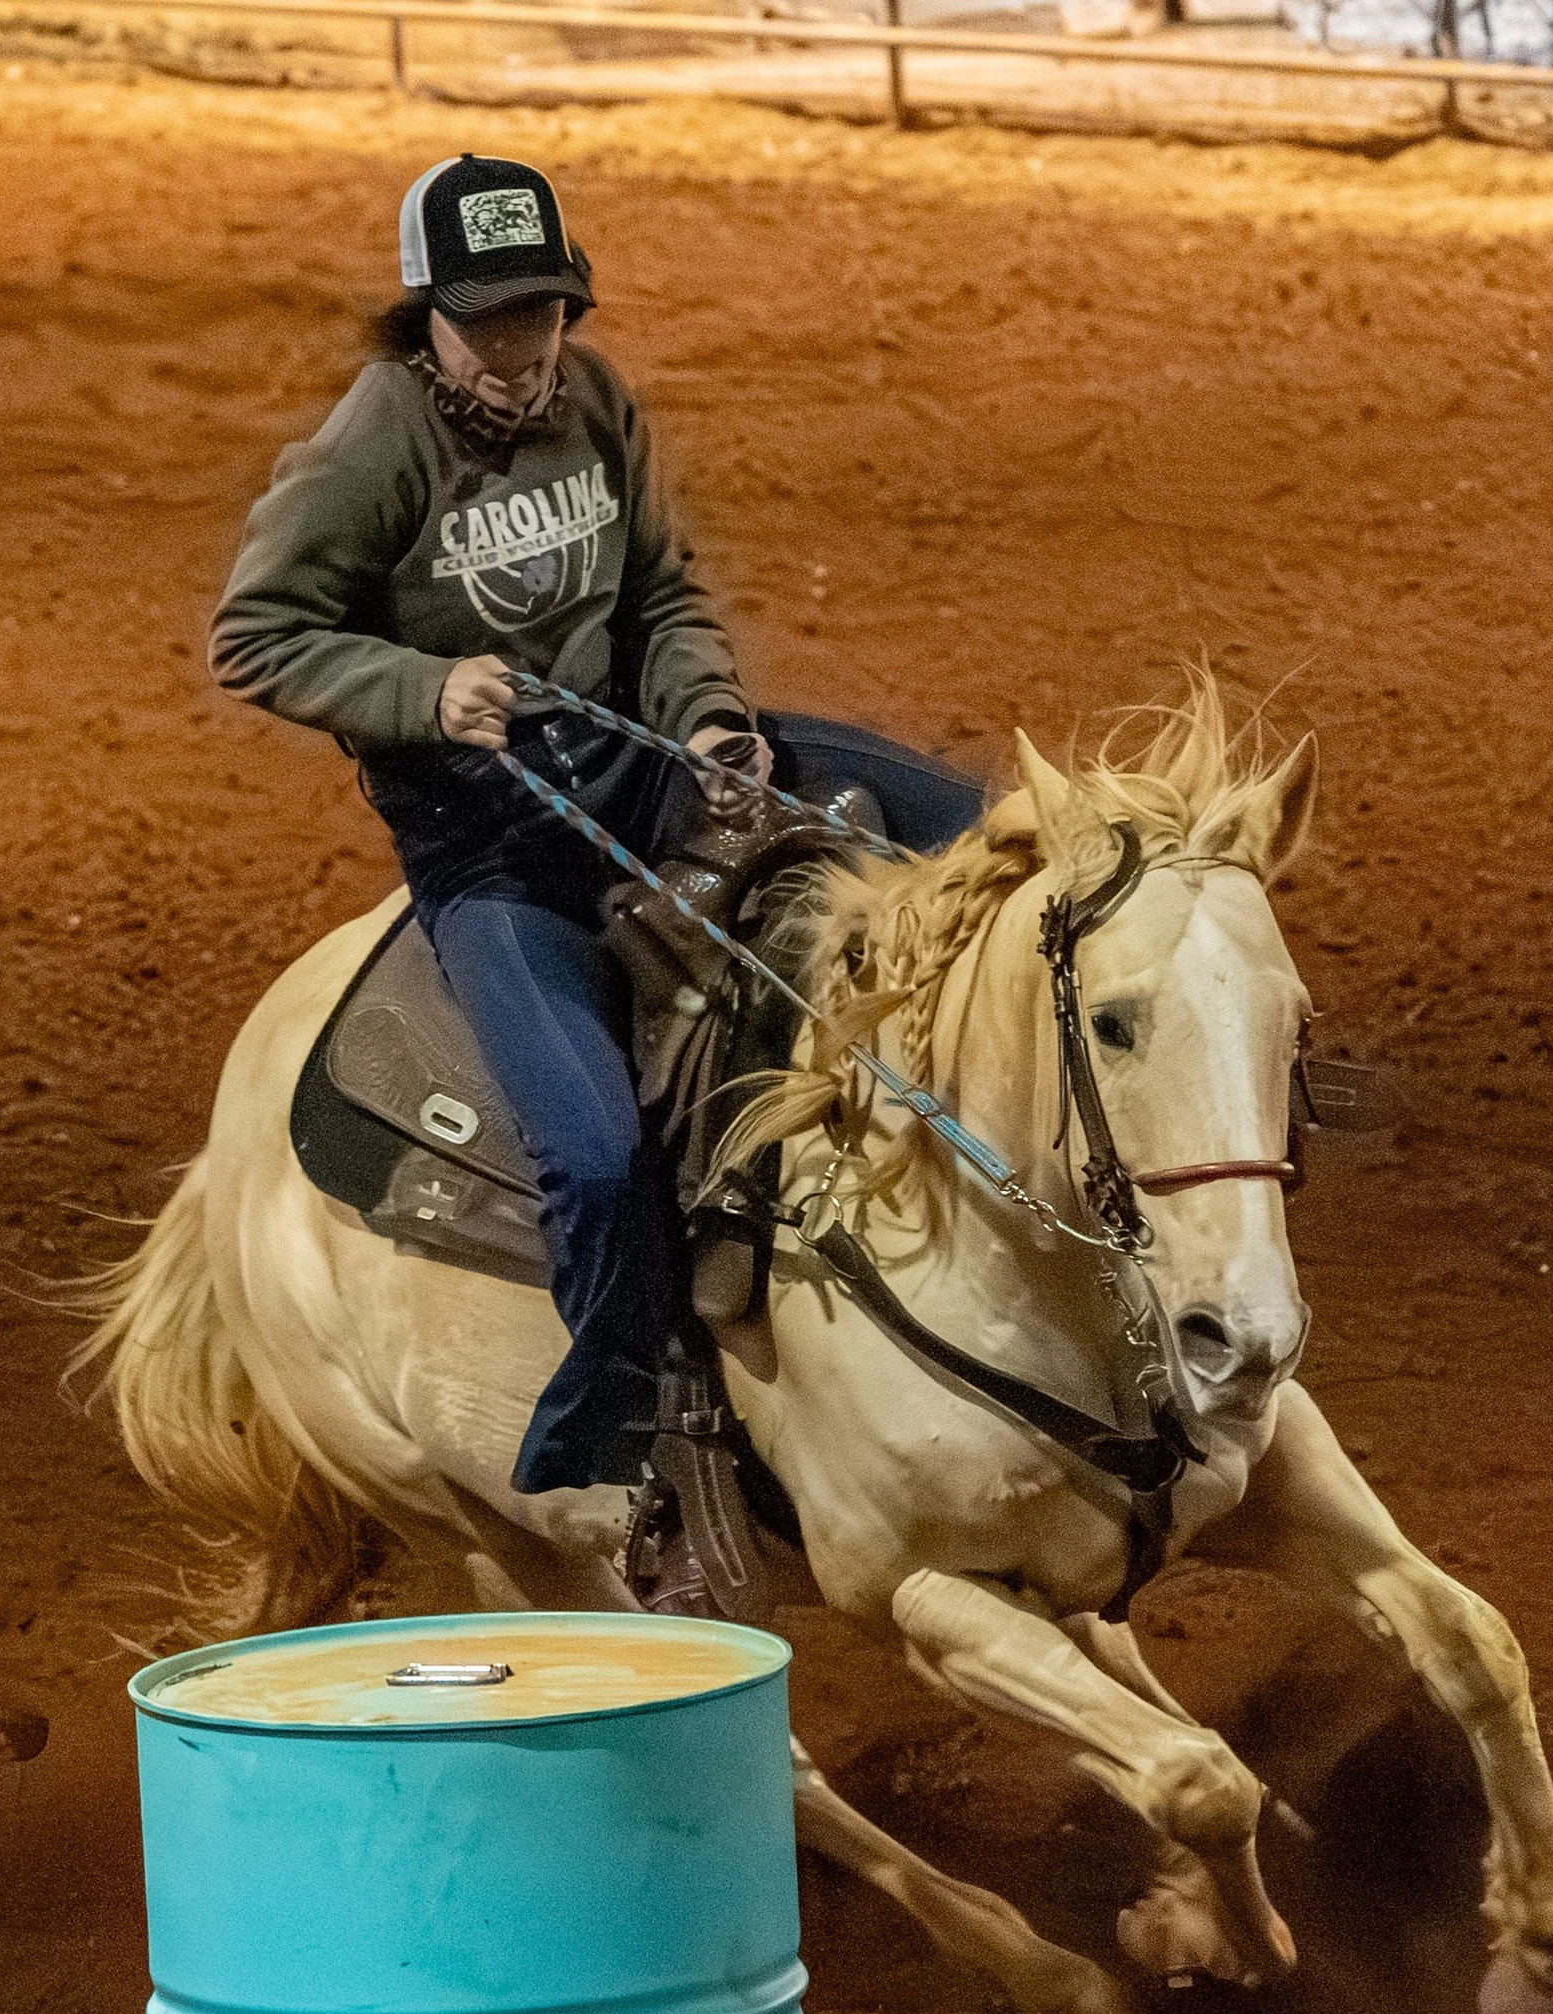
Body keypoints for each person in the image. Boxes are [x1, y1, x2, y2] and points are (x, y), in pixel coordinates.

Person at [209, 153, 981, 1558]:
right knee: (596, 1153)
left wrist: (712, 721)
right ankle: (627, 1442)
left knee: (970, 829)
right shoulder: (370, 449)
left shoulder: (599, 402)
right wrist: (420, 694)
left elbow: (665, 589)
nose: (520, 353)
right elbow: (254, 637)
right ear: (426, 317)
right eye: (489, 323)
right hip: (496, 850)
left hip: (648, 767)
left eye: (543, 317)